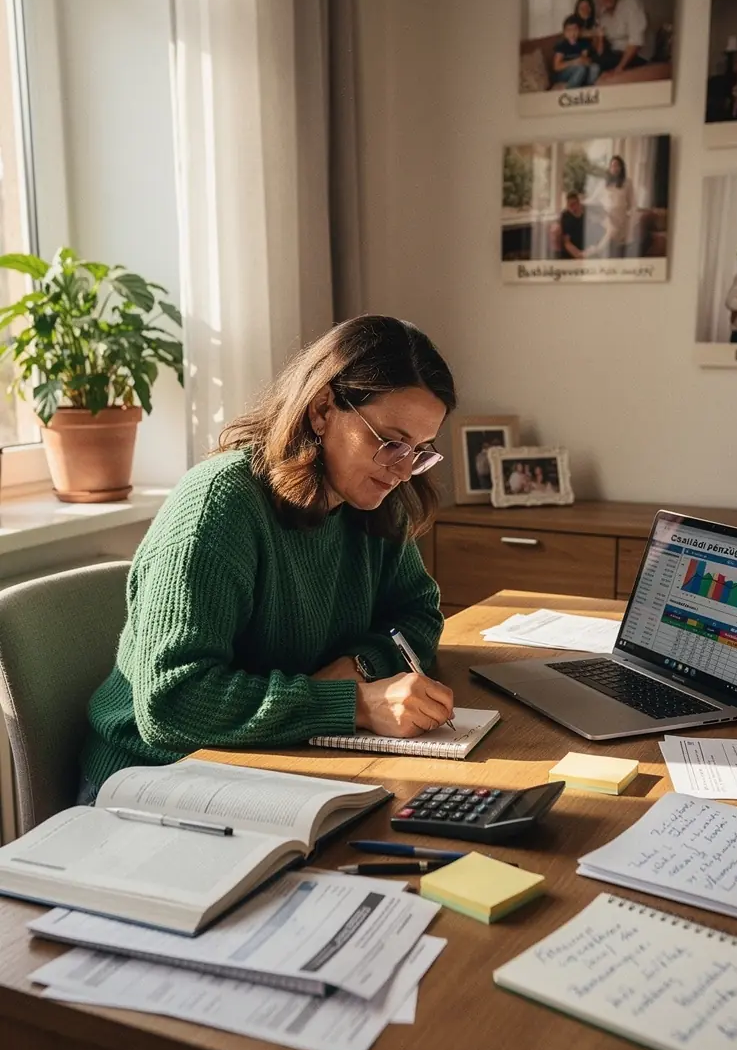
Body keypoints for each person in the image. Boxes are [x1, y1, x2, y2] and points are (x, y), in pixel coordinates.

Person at [77, 316, 457, 800]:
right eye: (390, 442)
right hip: (157, 778)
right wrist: (355, 704)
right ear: (322, 410)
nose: (403, 471)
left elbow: (417, 614)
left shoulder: (374, 499)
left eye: (420, 451)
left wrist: (361, 664)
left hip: (278, 763)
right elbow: (172, 703)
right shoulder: (221, 504)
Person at [594, 0, 648, 78]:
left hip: (636, 57)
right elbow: (602, 45)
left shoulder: (630, 4)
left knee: (598, 66)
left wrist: (619, 68)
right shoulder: (603, 15)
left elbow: (636, 42)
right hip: (614, 56)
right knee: (591, 62)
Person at [587, 156, 637, 258]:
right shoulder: (604, 183)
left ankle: (594, 251)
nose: (614, 168)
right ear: (609, 168)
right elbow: (592, 199)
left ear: (621, 168)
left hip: (622, 218)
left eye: (617, 165)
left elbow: (632, 203)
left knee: (615, 231)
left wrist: (629, 216)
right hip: (608, 217)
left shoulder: (627, 183)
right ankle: (596, 251)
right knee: (612, 229)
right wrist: (581, 203)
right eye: (612, 166)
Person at [552, 15, 600, 89]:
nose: (572, 33)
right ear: (564, 33)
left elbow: (584, 59)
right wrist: (574, 62)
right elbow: (557, 67)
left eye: (575, 29)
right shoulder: (561, 45)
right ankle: (570, 90)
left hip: (580, 70)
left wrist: (587, 61)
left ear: (579, 31)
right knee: (580, 68)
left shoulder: (583, 43)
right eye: (569, 30)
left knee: (595, 67)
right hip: (564, 73)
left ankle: (588, 88)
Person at [560, 191, 586, 260]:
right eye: (570, 205)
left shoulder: (585, 215)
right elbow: (567, 243)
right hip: (571, 254)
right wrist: (580, 256)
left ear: (578, 203)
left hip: (585, 249)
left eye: (574, 204)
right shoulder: (566, 217)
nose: (572, 207)